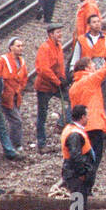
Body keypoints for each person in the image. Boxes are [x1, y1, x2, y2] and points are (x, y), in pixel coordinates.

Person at [69, 35, 106, 187]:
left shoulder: (73, 87)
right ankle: (88, 186)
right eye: (91, 64)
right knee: (94, 159)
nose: (94, 66)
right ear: (86, 68)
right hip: (95, 125)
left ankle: (82, 184)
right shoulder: (91, 79)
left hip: (81, 127)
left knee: (83, 157)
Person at [61, 103, 97, 210]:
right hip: (76, 175)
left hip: (75, 174)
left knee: (81, 204)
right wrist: (83, 173)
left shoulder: (73, 130)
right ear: (82, 117)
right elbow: (75, 156)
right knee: (77, 205)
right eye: (87, 115)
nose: (88, 118)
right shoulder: (75, 134)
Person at [35, 24, 69, 153]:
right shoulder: (45, 48)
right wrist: (57, 81)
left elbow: (60, 65)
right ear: (51, 34)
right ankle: (41, 143)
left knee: (73, 99)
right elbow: (44, 69)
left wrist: (63, 78)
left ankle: (61, 123)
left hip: (56, 85)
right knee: (42, 114)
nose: (60, 34)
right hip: (44, 87)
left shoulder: (59, 46)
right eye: (58, 32)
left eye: (60, 32)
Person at [0, 37, 28, 151]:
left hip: (16, 96)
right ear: (11, 47)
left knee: (12, 120)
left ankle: (11, 144)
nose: (21, 48)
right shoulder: (3, 60)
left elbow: (24, 77)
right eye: (18, 46)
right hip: (6, 96)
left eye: (22, 46)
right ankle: (15, 145)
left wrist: (20, 88)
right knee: (16, 121)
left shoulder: (22, 61)